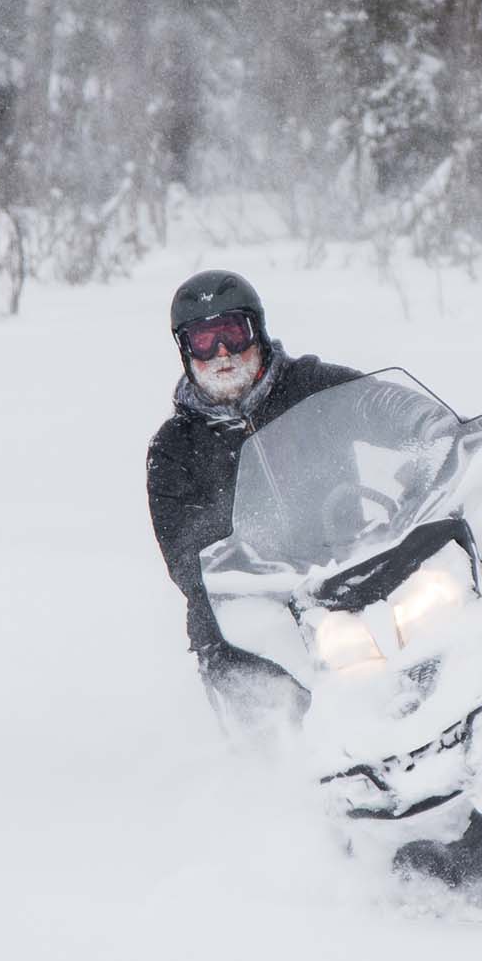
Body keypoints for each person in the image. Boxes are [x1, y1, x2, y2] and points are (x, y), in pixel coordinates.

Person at [144, 269, 361, 719]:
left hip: (355, 569)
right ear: (185, 350)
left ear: (256, 331)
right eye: (203, 341)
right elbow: (186, 557)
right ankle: (278, 782)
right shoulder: (173, 448)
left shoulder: (310, 386)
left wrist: (441, 436)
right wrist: (254, 561)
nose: (222, 353)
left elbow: (378, 405)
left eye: (231, 334)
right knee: (277, 710)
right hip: (246, 613)